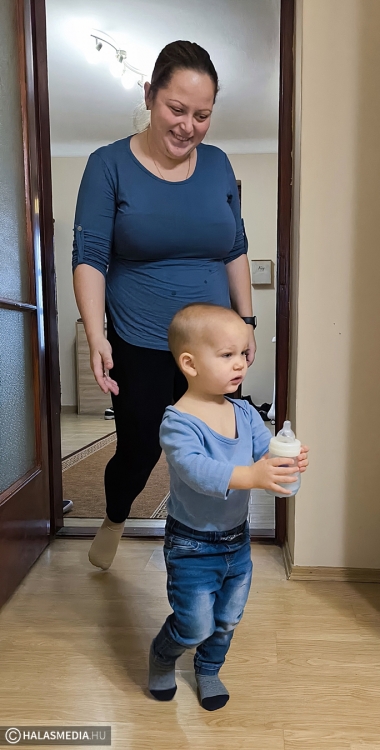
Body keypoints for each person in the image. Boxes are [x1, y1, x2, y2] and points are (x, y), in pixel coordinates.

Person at [72, 41, 257, 570]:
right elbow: (90, 256)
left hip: (214, 343)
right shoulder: (107, 165)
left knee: (215, 446)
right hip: (141, 339)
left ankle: (204, 552)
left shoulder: (218, 165)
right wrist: (96, 335)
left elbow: (235, 248)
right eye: (177, 109)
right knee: (140, 450)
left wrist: (246, 323)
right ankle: (115, 516)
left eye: (202, 115)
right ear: (150, 94)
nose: (188, 126)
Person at [148, 304, 309, 710]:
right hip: (191, 545)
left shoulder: (245, 413)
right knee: (193, 624)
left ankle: (208, 669)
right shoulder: (178, 421)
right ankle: (163, 654)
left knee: (226, 619)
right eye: (226, 355)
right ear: (190, 363)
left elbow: (264, 456)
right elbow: (197, 471)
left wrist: (284, 460)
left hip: (237, 541)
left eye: (242, 354)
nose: (240, 364)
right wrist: (252, 475)